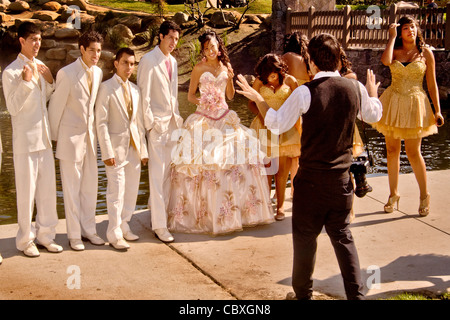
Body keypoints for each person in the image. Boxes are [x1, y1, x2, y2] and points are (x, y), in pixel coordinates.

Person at [236, 33, 382, 300]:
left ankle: (303, 296)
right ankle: (357, 296)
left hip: (311, 182)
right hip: (341, 182)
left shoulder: (305, 92)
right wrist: (372, 93)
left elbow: (277, 123)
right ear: (338, 58)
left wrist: (258, 98)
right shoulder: (355, 88)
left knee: (305, 240)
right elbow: (373, 114)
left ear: (311, 62)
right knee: (343, 238)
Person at [167, 30, 274, 235]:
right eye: (206, 48)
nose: (210, 51)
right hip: (204, 119)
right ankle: (204, 215)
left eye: (213, 47)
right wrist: (203, 101)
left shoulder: (226, 67)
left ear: (219, 46)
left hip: (224, 116)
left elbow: (231, 96)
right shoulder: (198, 68)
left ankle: (239, 213)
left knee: (234, 161)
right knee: (204, 163)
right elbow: (190, 96)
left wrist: (231, 78)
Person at [372, 16, 444, 217]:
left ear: (416, 30)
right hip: (393, 102)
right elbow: (385, 61)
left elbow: (432, 84)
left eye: (412, 27)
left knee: (413, 153)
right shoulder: (394, 51)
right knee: (391, 150)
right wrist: (391, 37)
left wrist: (437, 110)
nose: (410, 30)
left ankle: (424, 195)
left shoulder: (425, 53)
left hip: (415, 104)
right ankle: (393, 194)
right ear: (400, 31)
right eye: (405, 28)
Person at [2, 21, 62, 257]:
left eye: (40, 39)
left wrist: (49, 82)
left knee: (47, 191)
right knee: (26, 193)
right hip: (25, 142)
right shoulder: (10, 72)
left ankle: (46, 236)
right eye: (33, 39)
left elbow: (44, 99)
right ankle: (25, 241)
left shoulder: (41, 65)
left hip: (44, 138)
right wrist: (26, 81)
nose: (38, 44)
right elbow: (13, 107)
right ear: (22, 41)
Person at [48, 30, 105, 251]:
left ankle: (89, 231)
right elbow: (55, 109)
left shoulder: (99, 72)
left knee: (90, 188)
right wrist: (55, 140)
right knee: (71, 191)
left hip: (90, 140)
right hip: (69, 140)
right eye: (92, 50)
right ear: (82, 49)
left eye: (99, 51)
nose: (96, 55)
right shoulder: (66, 73)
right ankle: (74, 236)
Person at [96, 48, 149, 250]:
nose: (129, 67)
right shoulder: (106, 88)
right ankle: (114, 232)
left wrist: (143, 151)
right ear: (116, 64)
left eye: (132, 63)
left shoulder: (136, 90)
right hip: (115, 150)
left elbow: (139, 123)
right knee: (115, 192)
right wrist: (107, 152)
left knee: (131, 190)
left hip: (134, 148)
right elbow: (101, 123)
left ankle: (125, 225)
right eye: (125, 62)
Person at [137, 21, 184, 243]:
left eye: (176, 39)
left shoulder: (172, 62)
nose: (174, 42)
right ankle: (159, 226)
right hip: (156, 127)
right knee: (156, 177)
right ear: (161, 36)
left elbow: (173, 96)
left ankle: (160, 215)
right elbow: (143, 97)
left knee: (167, 177)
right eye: (170, 38)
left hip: (172, 126)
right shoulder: (148, 61)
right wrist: (150, 125)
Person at [248, 54, 299, 221]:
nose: (270, 79)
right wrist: (262, 116)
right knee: (267, 169)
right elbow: (251, 103)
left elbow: (297, 105)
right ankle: (265, 204)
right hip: (263, 127)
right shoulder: (258, 82)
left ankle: (280, 206)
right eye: (266, 76)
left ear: (279, 70)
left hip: (285, 128)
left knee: (282, 171)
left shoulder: (291, 81)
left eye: (273, 75)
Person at [281, 31, 311, 199]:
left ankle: (280, 190)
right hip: (306, 109)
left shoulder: (287, 56)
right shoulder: (308, 61)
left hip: (289, 106)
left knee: (285, 152)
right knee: (298, 153)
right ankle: (295, 189)